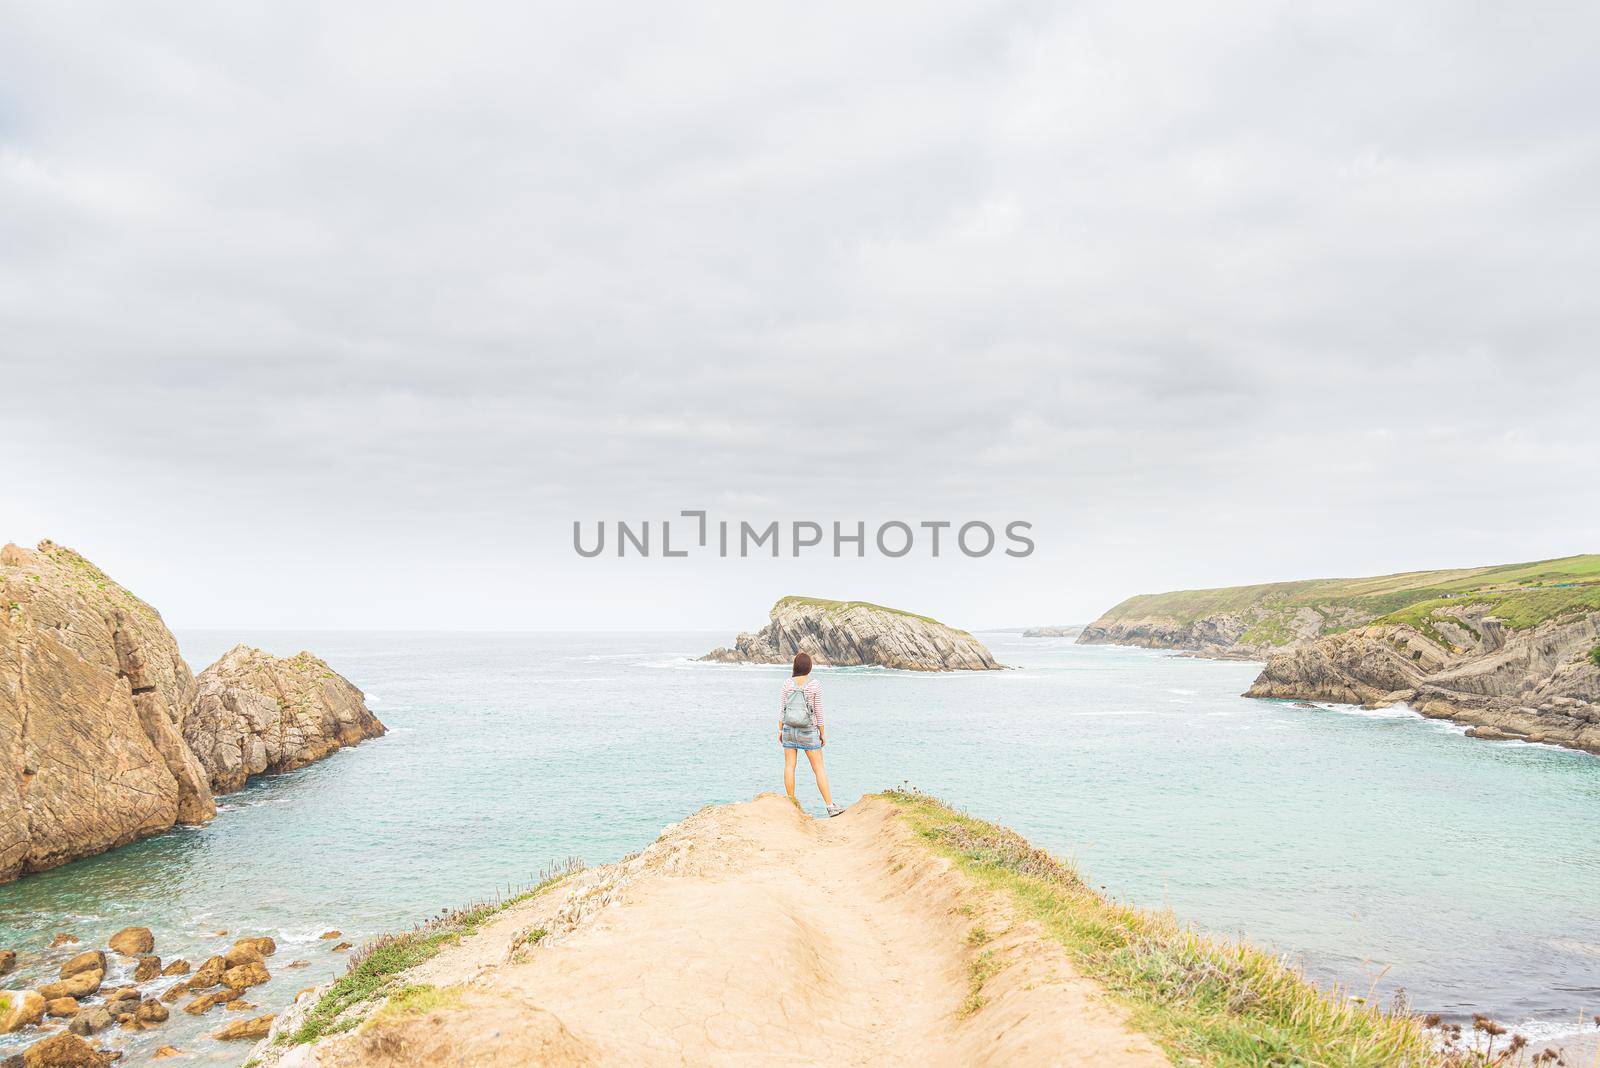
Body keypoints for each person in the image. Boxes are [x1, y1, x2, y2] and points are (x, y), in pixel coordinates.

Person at [778, 651, 843, 817]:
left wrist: (780, 729)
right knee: (819, 768)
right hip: (808, 730)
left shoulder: (787, 683)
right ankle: (830, 806)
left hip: (789, 729)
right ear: (809, 667)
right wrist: (822, 733)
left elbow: (782, 709)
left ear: (795, 666)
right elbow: (819, 712)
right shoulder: (814, 685)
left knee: (789, 766)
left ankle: (791, 804)